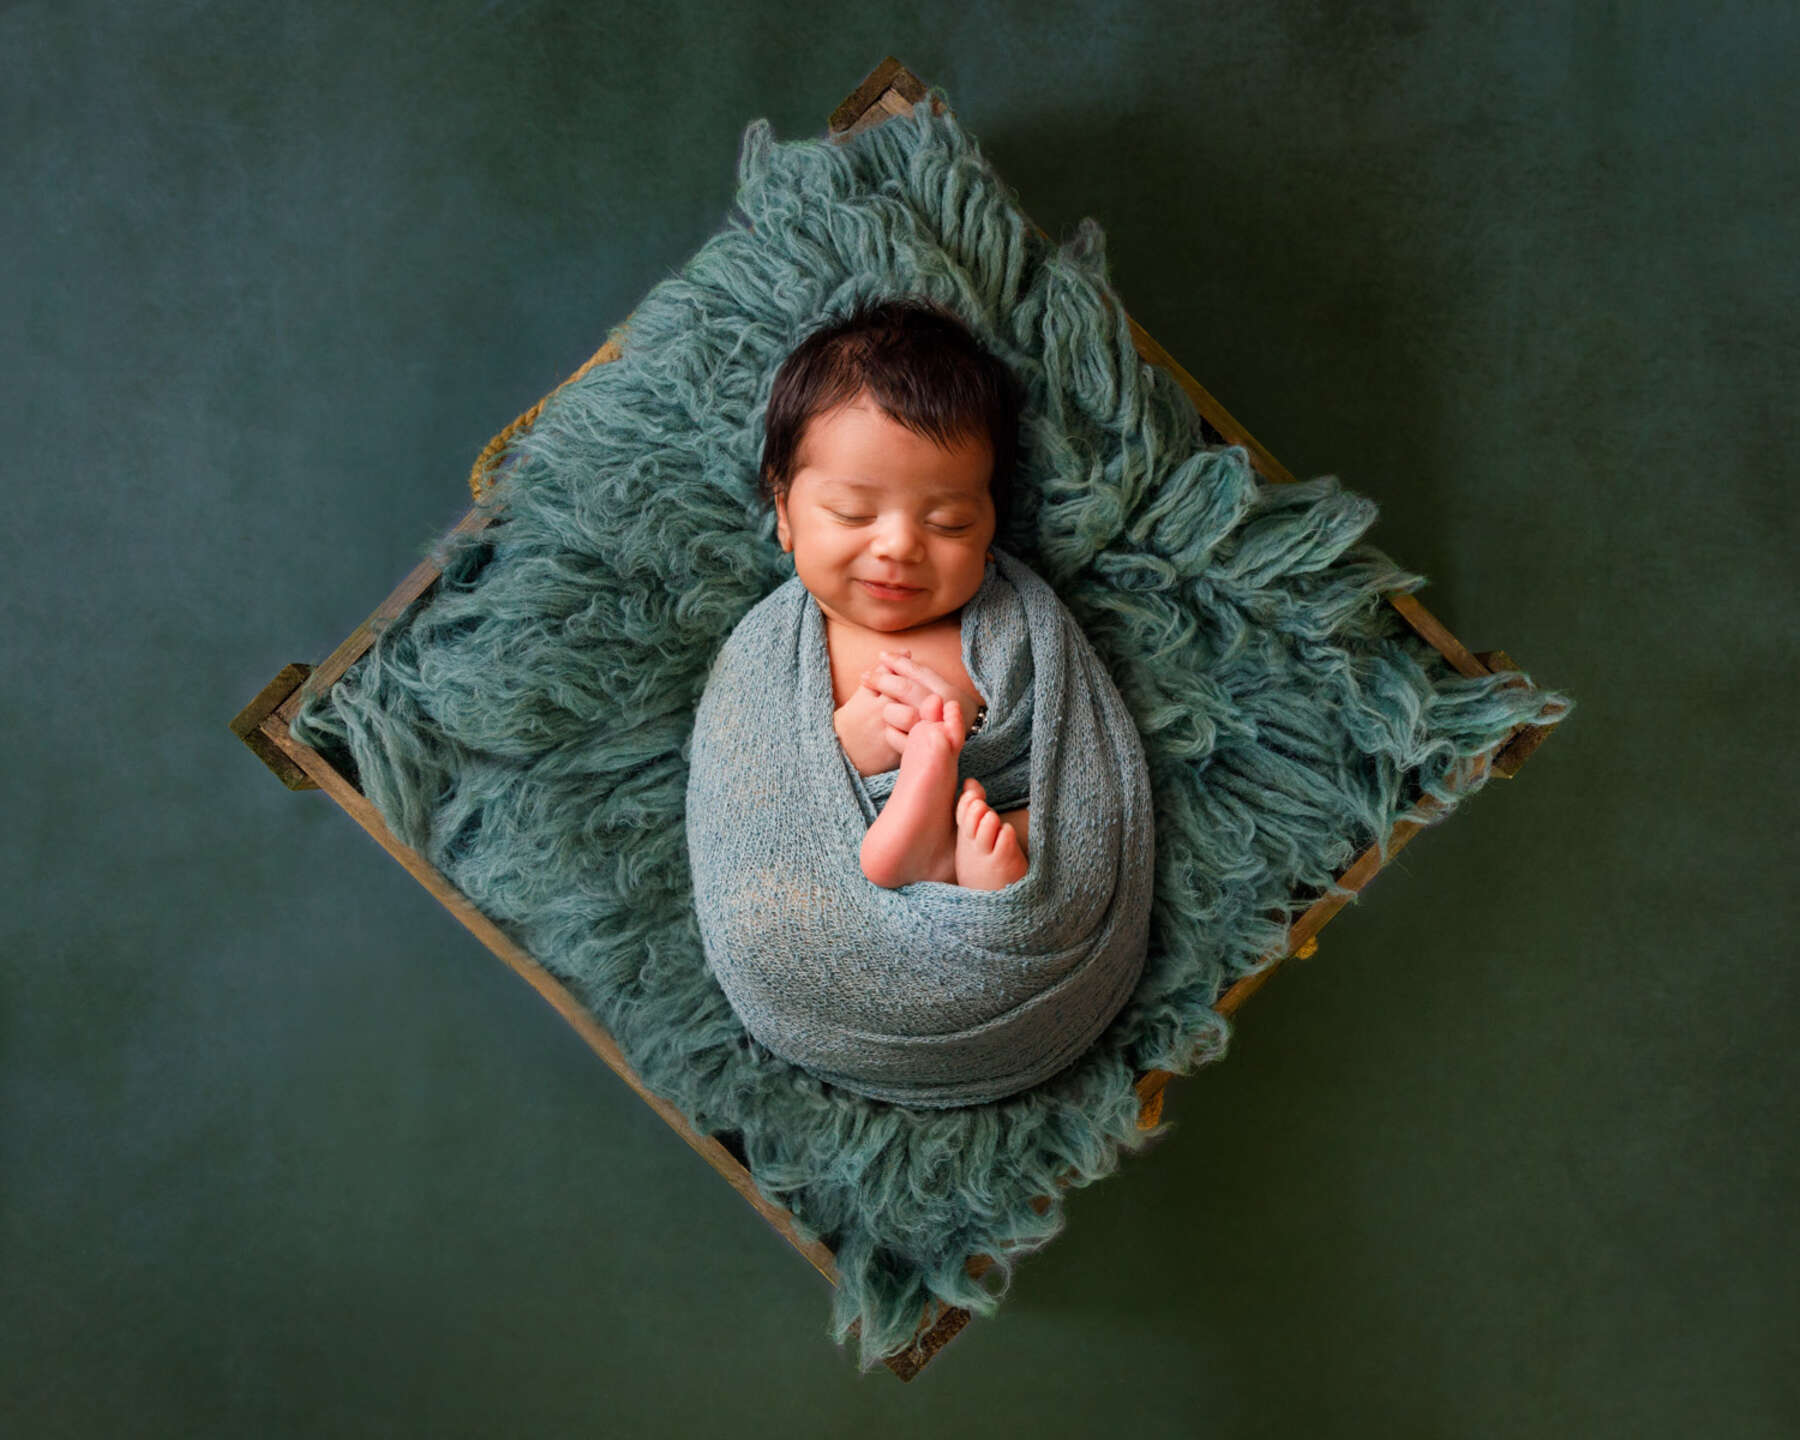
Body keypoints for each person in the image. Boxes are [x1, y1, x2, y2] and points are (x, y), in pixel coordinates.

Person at [757, 296, 1028, 891]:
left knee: (1028, 832)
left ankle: (961, 866)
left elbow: (1081, 766)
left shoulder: (1017, 625)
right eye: (853, 513)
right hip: (838, 886)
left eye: (949, 522)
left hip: (994, 827)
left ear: (990, 534)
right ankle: (928, 850)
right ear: (785, 514)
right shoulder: (766, 657)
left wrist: (995, 797)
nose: (900, 546)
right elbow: (754, 799)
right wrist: (847, 749)